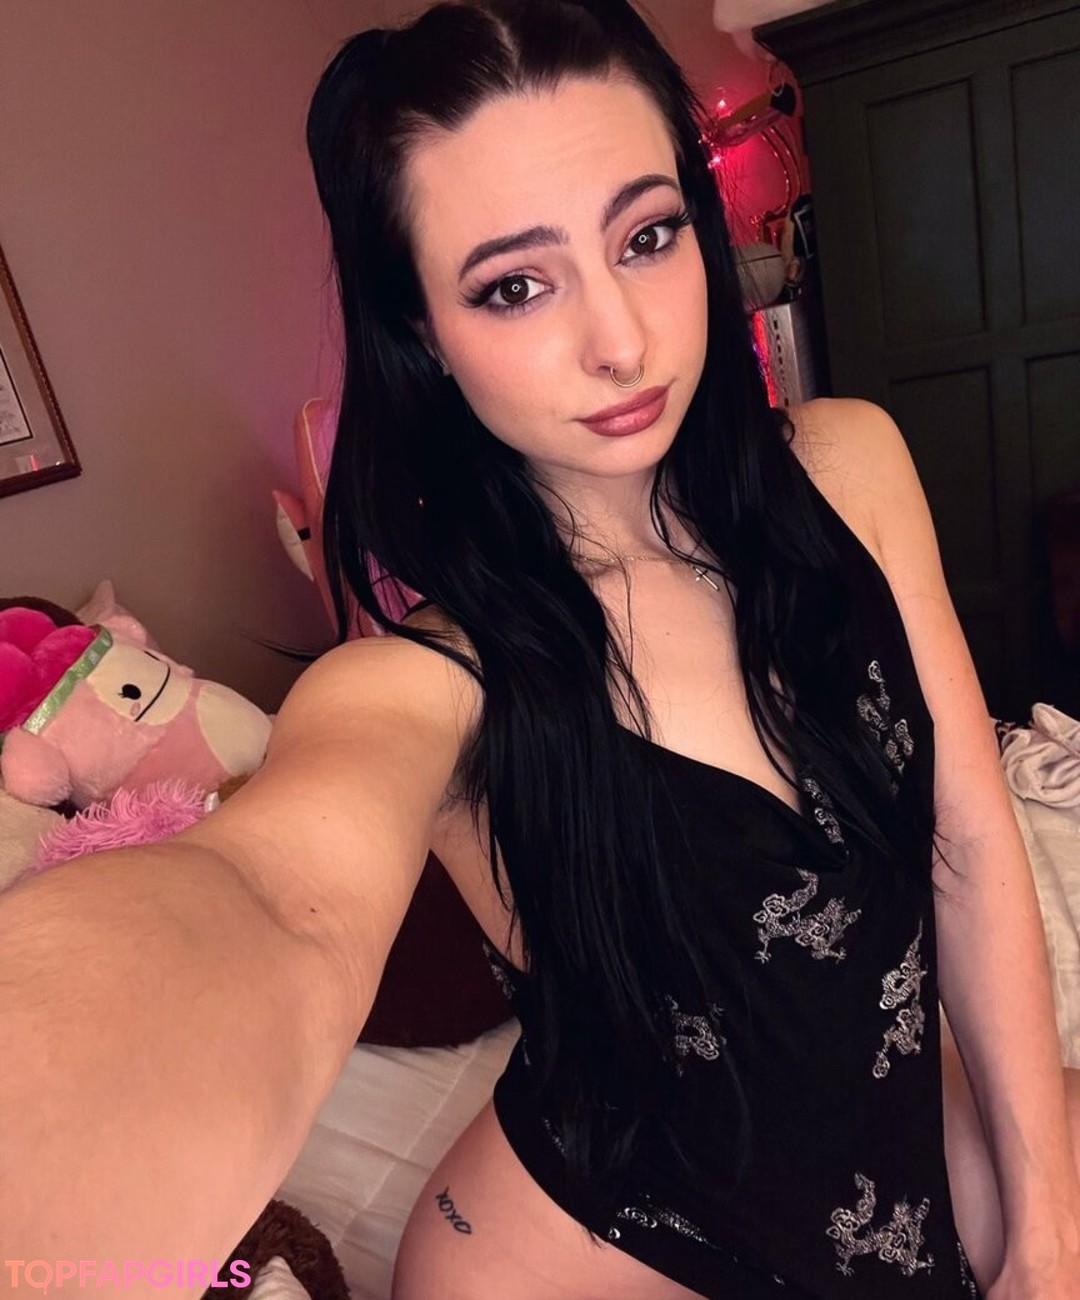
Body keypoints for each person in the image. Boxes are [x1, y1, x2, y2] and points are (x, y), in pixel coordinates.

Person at [1, 1, 1077, 1296]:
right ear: (423, 332)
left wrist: (1047, 1234)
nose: (620, 341)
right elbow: (273, 898)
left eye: (646, 235)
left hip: (912, 1137)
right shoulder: (419, 686)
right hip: (594, 1248)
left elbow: (969, 838)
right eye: (514, 286)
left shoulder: (851, 469)